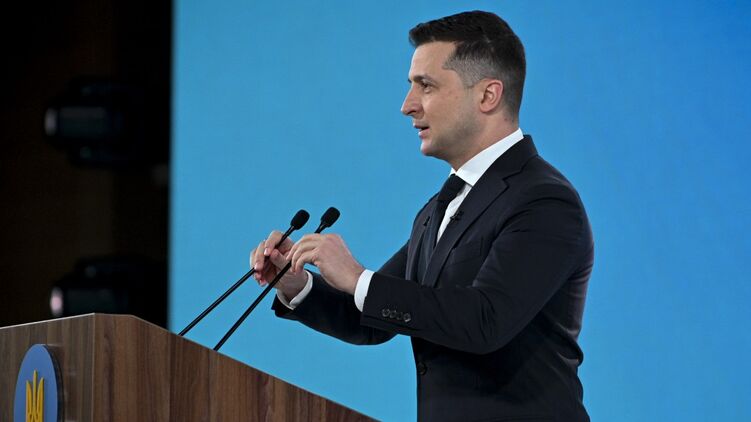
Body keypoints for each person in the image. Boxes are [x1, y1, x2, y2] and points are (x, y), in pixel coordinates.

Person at [251, 10, 593, 422]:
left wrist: (358, 277)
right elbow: (371, 318)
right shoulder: (439, 208)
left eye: (425, 86)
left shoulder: (544, 201)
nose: (407, 106)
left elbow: (485, 321)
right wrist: (296, 282)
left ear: (488, 96)